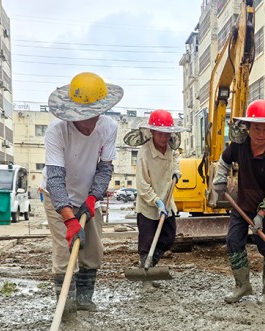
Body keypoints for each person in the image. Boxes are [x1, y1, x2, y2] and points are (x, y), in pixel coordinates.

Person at [42, 72, 123, 316]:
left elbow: (105, 168)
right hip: (57, 197)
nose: (89, 122)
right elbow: (55, 178)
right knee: (65, 250)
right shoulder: (57, 131)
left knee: (92, 250)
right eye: (83, 116)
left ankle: (84, 300)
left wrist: (93, 197)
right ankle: (66, 307)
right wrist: (69, 219)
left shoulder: (108, 127)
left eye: (94, 114)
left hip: (89, 196)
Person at [212, 99, 265, 304]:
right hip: (242, 203)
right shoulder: (239, 145)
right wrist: (220, 177)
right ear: (248, 127)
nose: (261, 134)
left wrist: (261, 215)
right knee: (234, 241)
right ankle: (242, 286)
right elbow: (224, 160)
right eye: (256, 128)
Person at [134, 109, 182, 290]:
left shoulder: (171, 147)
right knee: (146, 243)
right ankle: (145, 278)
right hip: (148, 205)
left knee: (168, 237)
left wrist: (176, 171)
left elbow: (175, 158)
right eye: (160, 133)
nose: (164, 138)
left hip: (167, 200)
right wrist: (156, 201)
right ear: (152, 132)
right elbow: (142, 185)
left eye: (167, 134)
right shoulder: (145, 153)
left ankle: (148, 269)